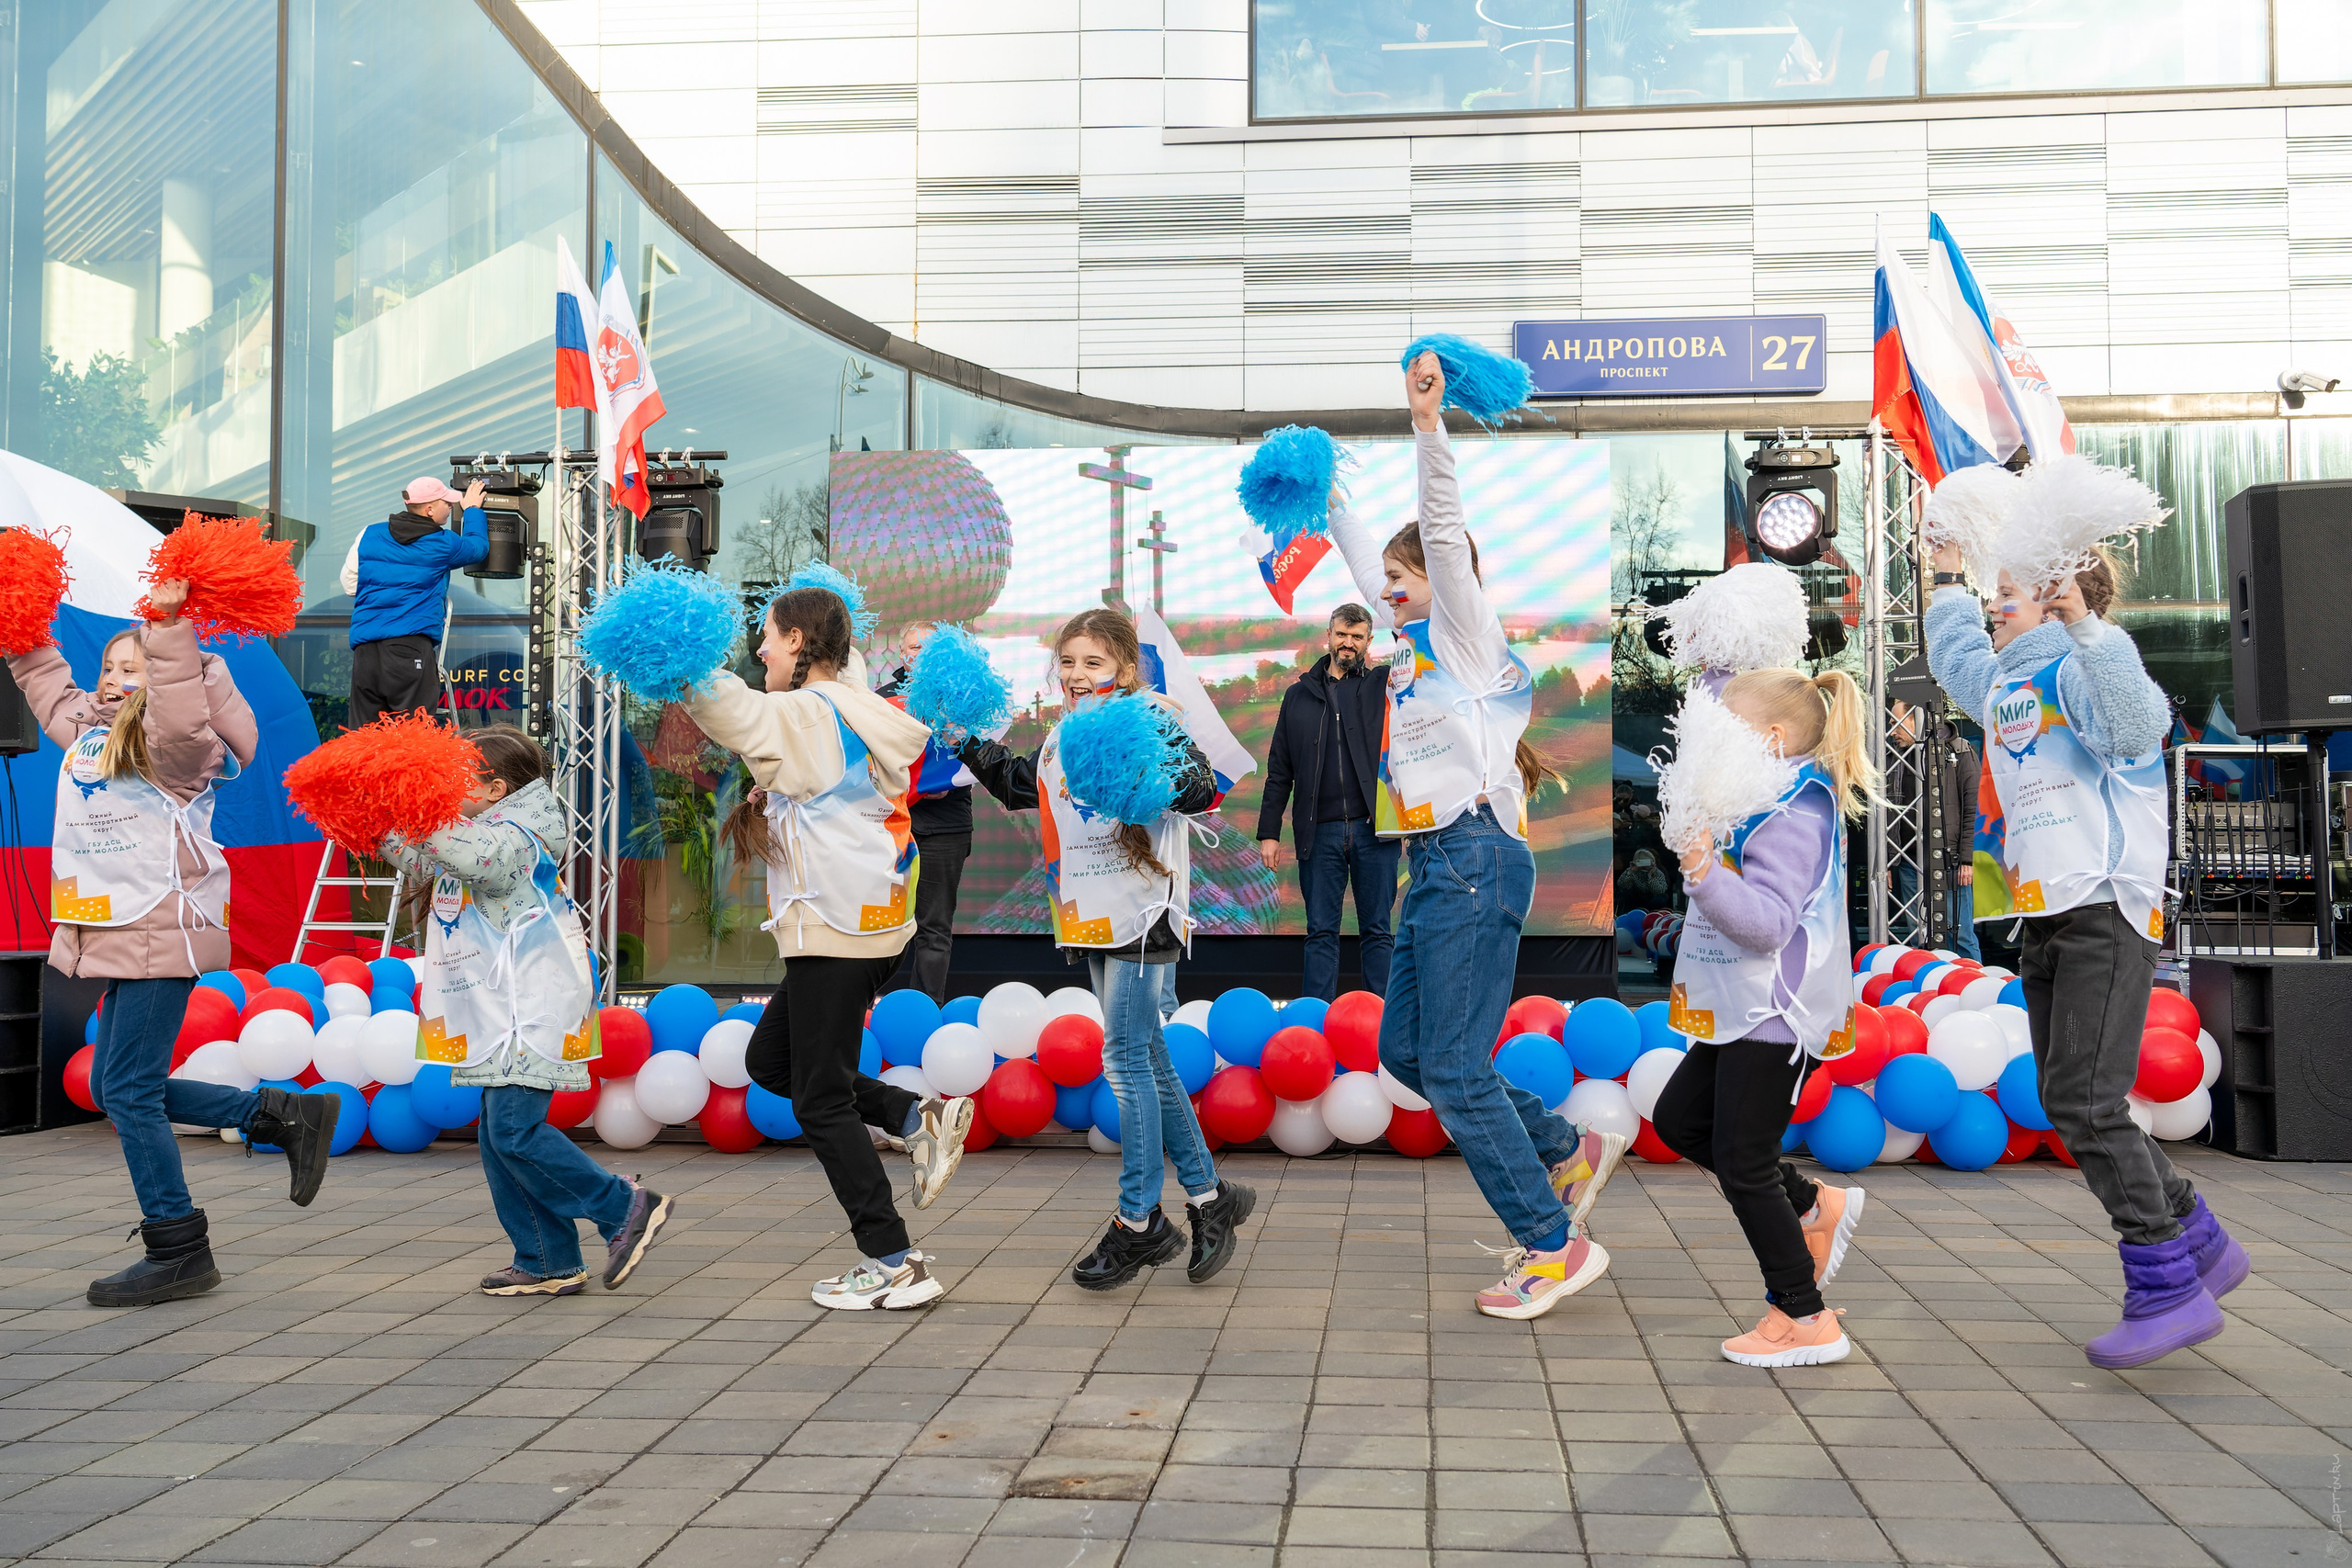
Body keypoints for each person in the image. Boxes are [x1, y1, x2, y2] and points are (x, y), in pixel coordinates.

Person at [1325, 352, 1623, 1321]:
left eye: (1402, 582)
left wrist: (1424, 428)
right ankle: (1556, 1147)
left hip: (1472, 862)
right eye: (1388, 585)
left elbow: (1439, 539)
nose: (1389, 594)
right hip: (1435, 868)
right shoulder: (1406, 647)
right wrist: (1318, 491)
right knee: (1410, 1056)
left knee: (1450, 1067)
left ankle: (1552, 1243)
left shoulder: (1464, 636)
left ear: (1441, 586)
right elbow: (1370, 559)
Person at [1928, 547, 2246, 1369]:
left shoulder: (2088, 668)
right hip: (2045, 913)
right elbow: (1954, 657)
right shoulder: (2006, 685)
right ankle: (2199, 1240)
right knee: (2073, 1099)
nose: (1997, 606)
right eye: (1993, 595)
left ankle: (2168, 1285)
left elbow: (2141, 725)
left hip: (2106, 906)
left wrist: (2089, 623)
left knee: (2087, 1103)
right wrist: (1947, 578)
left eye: (2010, 594)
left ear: (2056, 596)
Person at [10, 581, 337, 1306]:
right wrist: (18, 625)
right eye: (111, 670)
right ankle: (277, 1114)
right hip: (117, 931)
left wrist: (167, 628)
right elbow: (49, 687)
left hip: (164, 928)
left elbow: (182, 713)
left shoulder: (179, 754)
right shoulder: (93, 737)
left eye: (138, 670)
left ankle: (179, 1245)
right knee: (113, 1085)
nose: (117, 681)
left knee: (125, 1089)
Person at [959, 608, 1257, 1291]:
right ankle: (1211, 1199)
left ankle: (1137, 1220)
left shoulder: (1149, 716)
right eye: (1066, 661)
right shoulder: (1063, 735)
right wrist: (964, 738)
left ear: (1123, 668)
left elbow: (1203, 788)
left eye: (1092, 663)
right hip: (1088, 916)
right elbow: (1017, 786)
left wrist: (1145, 769)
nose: (1076, 675)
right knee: (1148, 1056)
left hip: (1142, 913)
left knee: (1124, 1058)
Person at [698, 584, 974, 1311]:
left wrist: (682, 666)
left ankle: (892, 1259)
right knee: (771, 1063)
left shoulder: (810, 710)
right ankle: (916, 1116)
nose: (760, 650)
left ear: (799, 641)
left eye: (769, 636)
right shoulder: (852, 706)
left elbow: (741, 713)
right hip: (860, 924)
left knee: (818, 1096)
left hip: (837, 931)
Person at [382, 726, 673, 1297]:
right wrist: (375, 819)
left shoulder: (518, 834)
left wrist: (418, 808)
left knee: (516, 1131)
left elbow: (474, 858)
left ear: (493, 788)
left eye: (454, 780)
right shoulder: (474, 830)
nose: (443, 790)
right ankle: (546, 1258)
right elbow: (422, 862)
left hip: (532, 1005)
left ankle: (623, 1206)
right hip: (495, 1008)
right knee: (498, 1136)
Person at [1652, 667, 1877, 1369]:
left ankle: (1803, 1316)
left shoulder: (1793, 810)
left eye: (1729, 729)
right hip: (1740, 1010)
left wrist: (1701, 868)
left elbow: (1769, 923)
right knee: (1680, 1122)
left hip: (1774, 1014)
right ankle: (1812, 1204)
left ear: (1771, 739)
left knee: (1744, 1164)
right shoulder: (1762, 792)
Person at [1256, 603, 1400, 998]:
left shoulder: (1385, 687)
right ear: (1329, 636)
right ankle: (1317, 1024)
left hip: (1376, 830)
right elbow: (1279, 770)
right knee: (1320, 931)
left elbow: (1414, 653)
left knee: (1377, 932)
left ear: (1369, 641)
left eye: (1357, 637)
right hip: (1319, 833)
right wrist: (1269, 832)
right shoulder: (1297, 696)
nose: (1349, 643)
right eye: (1342, 634)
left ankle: (1382, 1025)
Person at [876, 621, 977, 1002]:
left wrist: (950, 780)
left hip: (946, 828)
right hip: (891, 826)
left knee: (933, 926)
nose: (917, 654)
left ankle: (925, 1012)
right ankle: (872, 1010)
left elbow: (982, 758)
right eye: (911, 648)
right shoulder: (881, 700)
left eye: (926, 648)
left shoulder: (965, 698)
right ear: (900, 652)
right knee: (881, 923)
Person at [341, 477, 490, 728]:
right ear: (429, 509)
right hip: (408, 648)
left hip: (366, 653)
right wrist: (473, 510)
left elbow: (349, 584)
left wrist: (386, 587)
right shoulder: (443, 543)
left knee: (363, 740)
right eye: (447, 502)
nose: (452, 506)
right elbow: (477, 547)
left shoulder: (369, 533)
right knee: (413, 739)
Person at [1887, 699, 1981, 961]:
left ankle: (1972, 989)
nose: (1891, 730)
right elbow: (1885, 810)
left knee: (1960, 935)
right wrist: (1887, 859)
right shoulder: (1895, 757)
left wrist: (1967, 859)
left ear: (1918, 720)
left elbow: (1974, 808)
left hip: (1950, 861)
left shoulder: (1959, 751)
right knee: (1919, 938)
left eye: (1897, 723)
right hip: (1909, 862)